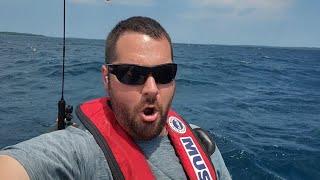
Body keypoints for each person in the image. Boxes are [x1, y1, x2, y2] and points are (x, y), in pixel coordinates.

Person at [0, 16, 231, 180]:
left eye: (164, 74)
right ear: (107, 78)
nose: (151, 88)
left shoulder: (202, 145)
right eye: (132, 74)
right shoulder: (82, 151)